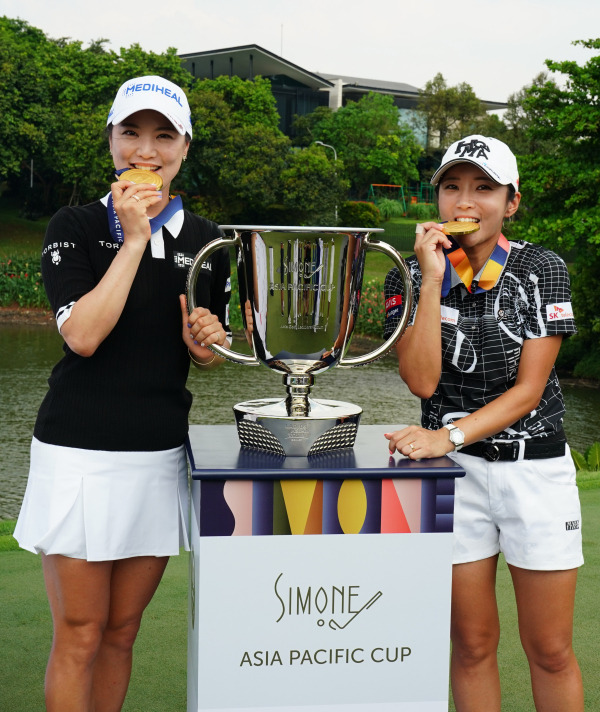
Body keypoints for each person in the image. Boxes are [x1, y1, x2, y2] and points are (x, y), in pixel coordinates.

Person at [14, 75, 231, 711]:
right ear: (110, 141)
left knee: (122, 631)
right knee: (79, 633)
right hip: (78, 453)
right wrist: (135, 237)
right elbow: (82, 336)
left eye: (163, 135)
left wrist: (208, 341)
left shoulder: (209, 241)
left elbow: (206, 352)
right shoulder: (75, 224)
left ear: (185, 148)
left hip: (159, 453)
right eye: (131, 132)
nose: (146, 150)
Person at [383, 135, 584, 712]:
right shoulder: (410, 274)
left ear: (511, 202)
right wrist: (427, 277)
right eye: (452, 186)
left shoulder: (541, 268)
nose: (464, 200)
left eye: (483, 188)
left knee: (548, 648)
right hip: (455, 478)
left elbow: (529, 390)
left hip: (534, 472)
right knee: (470, 646)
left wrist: (446, 434)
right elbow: (422, 382)